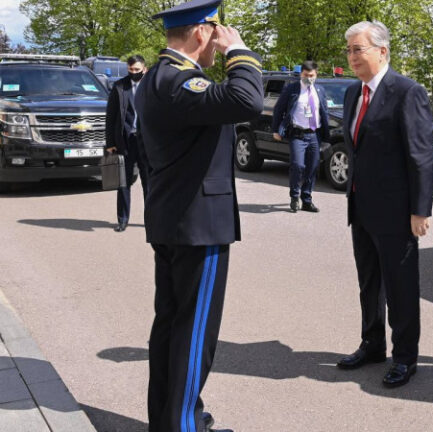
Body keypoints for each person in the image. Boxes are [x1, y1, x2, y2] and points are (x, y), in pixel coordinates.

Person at [133, 0, 263, 430]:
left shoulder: (155, 78)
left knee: (171, 327)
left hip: (173, 219)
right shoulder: (178, 81)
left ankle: (170, 420)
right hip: (197, 226)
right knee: (194, 333)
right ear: (202, 33)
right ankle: (184, 425)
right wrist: (239, 52)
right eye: (217, 30)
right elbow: (246, 99)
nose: (221, 37)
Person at [335, 21, 433, 388]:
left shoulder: (407, 92)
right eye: (348, 51)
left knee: (400, 287)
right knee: (369, 283)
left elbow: (421, 156)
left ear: (382, 51)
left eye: (357, 49)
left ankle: (405, 357)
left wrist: (420, 209)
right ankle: (372, 344)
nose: (351, 57)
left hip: (396, 212)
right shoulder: (352, 94)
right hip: (361, 207)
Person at [271, 60, 330, 212]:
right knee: (298, 165)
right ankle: (294, 196)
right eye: (305, 75)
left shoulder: (320, 90)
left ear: (316, 75)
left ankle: (307, 199)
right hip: (297, 134)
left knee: (312, 168)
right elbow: (279, 109)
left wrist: (326, 135)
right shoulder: (292, 89)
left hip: (314, 135)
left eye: (311, 75)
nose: (308, 78)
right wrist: (276, 130)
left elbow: (324, 112)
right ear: (300, 74)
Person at [105, 55, 151, 232]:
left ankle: (151, 220)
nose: (134, 73)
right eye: (130, 70)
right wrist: (110, 143)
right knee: (123, 182)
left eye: (137, 70)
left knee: (149, 183)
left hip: (146, 142)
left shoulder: (151, 87)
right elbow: (111, 117)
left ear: (144, 69)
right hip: (125, 141)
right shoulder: (119, 87)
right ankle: (122, 219)